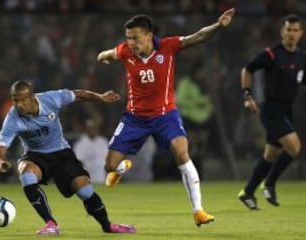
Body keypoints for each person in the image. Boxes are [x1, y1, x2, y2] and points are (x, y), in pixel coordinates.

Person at [97, 8, 235, 226]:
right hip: (134, 118)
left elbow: (196, 37)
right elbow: (110, 53)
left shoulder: (168, 47)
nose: (131, 42)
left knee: (182, 153)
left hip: (166, 115)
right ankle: (121, 169)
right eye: (128, 38)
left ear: (149, 35)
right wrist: (102, 56)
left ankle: (198, 210)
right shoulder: (125, 51)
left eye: (135, 38)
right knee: (109, 166)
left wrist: (218, 26)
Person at [0, 80, 136, 235]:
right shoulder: (12, 118)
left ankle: (108, 226)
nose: (19, 104)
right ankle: (50, 223)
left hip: (61, 153)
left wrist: (100, 97)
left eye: (23, 99)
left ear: (32, 97)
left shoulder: (50, 99)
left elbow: (78, 94)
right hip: (35, 155)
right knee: (26, 174)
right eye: (15, 100)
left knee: (85, 191)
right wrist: (1, 161)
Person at [238, 14, 306, 210]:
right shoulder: (271, 54)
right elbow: (248, 69)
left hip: (287, 110)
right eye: (288, 30)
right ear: (282, 32)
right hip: (271, 110)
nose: (291, 34)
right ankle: (269, 184)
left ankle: (248, 192)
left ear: (301, 33)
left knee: (270, 154)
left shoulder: (302, 57)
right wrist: (247, 96)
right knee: (294, 148)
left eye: (295, 30)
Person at [73, 118, 108, 184]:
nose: (92, 130)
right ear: (86, 129)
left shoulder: (103, 141)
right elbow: (79, 162)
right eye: (90, 128)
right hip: (87, 177)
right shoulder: (80, 143)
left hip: (101, 176)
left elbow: (107, 158)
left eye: (94, 128)